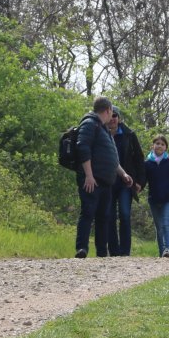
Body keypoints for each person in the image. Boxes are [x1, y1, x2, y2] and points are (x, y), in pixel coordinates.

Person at [73, 96, 134, 259]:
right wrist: (89, 175)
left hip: (107, 181)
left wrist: (123, 174)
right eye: (111, 112)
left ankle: (101, 252)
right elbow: (83, 147)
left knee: (104, 217)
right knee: (88, 213)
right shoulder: (89, 123)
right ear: (107, 110)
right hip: (92, 179)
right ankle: (82, 248)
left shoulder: (104, 129)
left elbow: (112, 158)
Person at [104, 107, 146, 257]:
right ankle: (114, 251)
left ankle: (125, 252)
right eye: (111, 116)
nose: (113, 119)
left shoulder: (129, 135)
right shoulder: (101, 134)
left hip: (126, 183)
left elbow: (139, 159)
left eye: (116, 116)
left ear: (119, 118)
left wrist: (140, 181)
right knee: (108, 215)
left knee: (125, 214)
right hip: (107, 182)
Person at [143, 134, 169, 258]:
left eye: (162, 144)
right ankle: (162, 253)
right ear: (152, 146)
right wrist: (137, 187)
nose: (159, 146)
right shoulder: (147, 163)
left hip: (168, 200)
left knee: (166, 224)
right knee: (159, 227)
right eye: (157, 143)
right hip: (153, 200)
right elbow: (143, 180)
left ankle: (167, 250)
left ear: (166, 148)